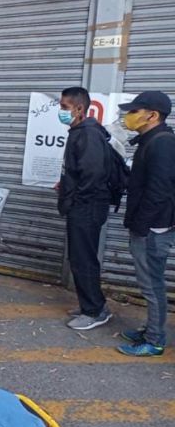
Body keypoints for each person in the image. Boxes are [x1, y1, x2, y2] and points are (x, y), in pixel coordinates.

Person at [116, 91, 175, 357]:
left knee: (152, 285)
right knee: (149, 282)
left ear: (152, 115)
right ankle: (150, 329)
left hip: (152, 228)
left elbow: (159, 190)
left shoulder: (162, 143)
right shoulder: (150, 140)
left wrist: (141, 226)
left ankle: (155, 340)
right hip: (149, 225)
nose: (129, 116)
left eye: (134, 111)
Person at [55, 87, 114, 330]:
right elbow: (81, 170)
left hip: (87, 207)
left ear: (79, 109)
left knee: (83, 259)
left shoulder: (87, 134)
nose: (61, 111)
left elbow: (93, 175)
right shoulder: (80, 131)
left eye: (64, 107)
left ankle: (95, 311)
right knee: (80, 257)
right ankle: (91, 303)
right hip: (84, 204)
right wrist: (66, 183)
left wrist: (75, 198)